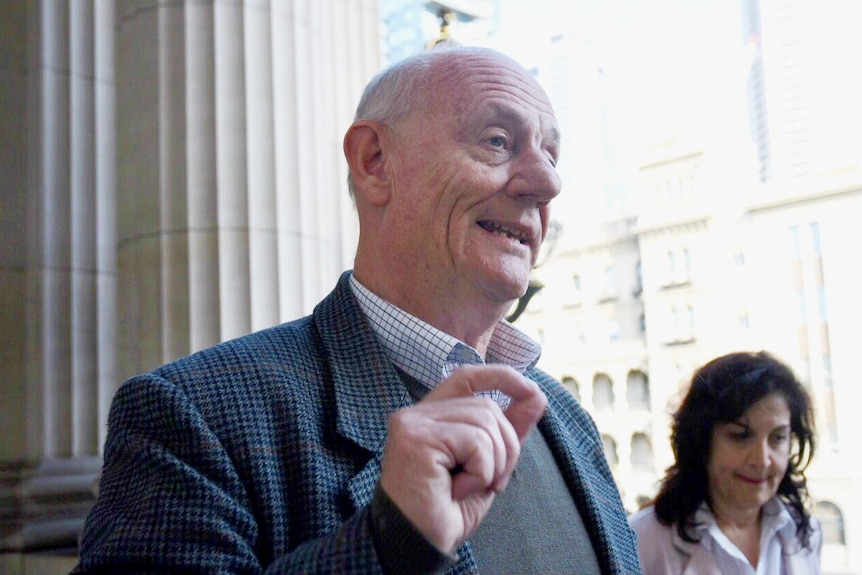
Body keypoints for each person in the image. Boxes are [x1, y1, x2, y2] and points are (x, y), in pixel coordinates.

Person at [73, 46, 642, 574]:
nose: (547, 182)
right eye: (497, 140)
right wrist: (390, 543)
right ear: (374, 161)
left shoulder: (568, 419)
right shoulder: (193, 418)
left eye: (550, 154)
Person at [629, 351, 821, 575]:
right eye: (740, 436)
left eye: (778, 438)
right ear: (702, 441)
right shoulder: (641, 541)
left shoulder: (806, 533)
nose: (761, 460)